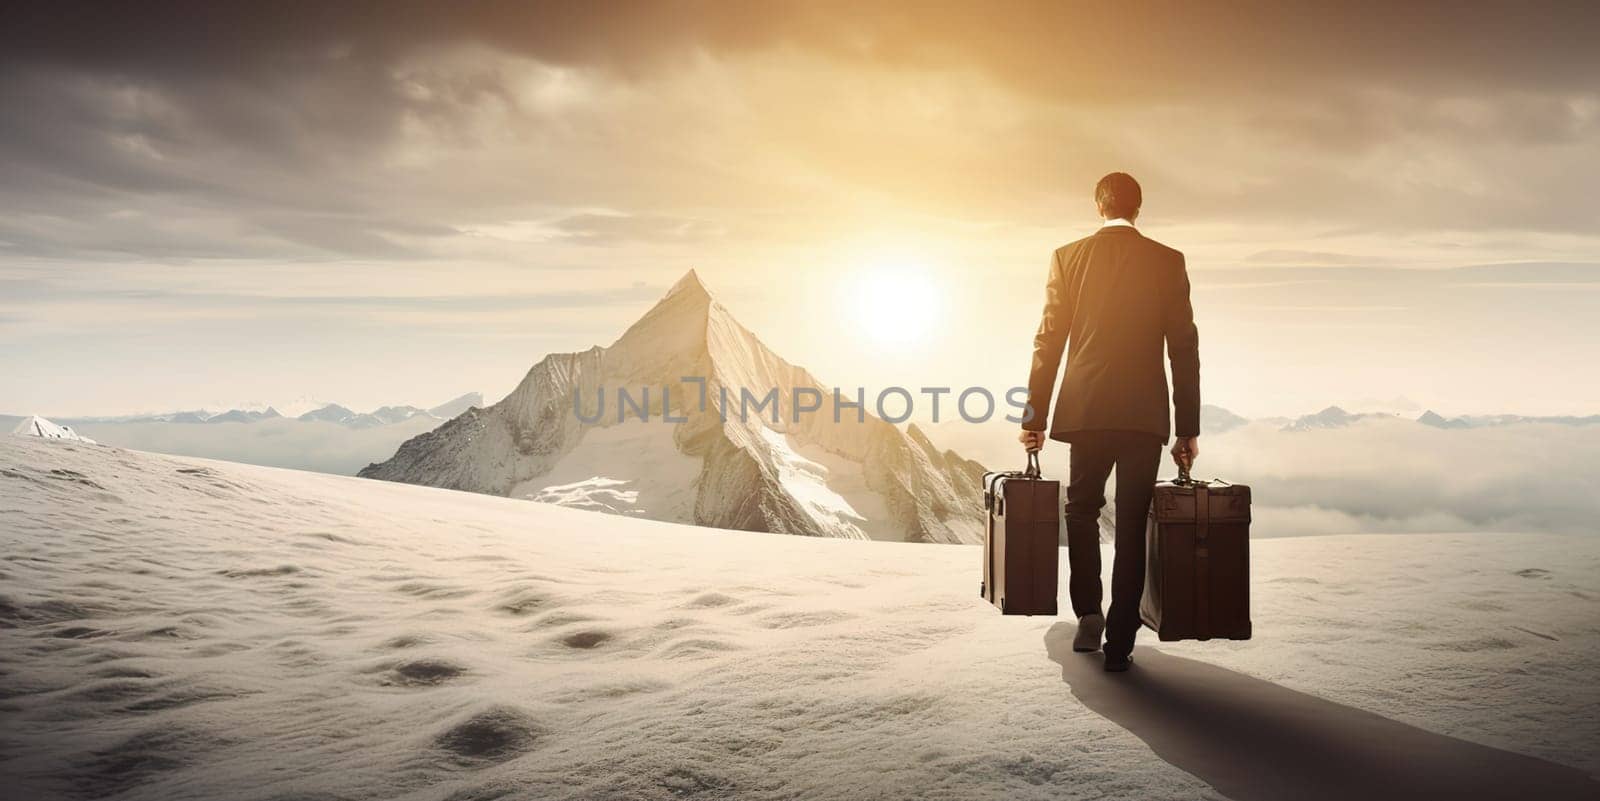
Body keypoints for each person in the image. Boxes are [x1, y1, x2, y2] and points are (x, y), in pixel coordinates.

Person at [1019, 172, 1200, 672]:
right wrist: (1188, 428)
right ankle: (1122, 634)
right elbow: (1184, 349)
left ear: (1099, 207)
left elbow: (1048, 340)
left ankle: (1088, 615)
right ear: (1138, 208)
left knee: (1080, 510)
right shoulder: (1168, 260)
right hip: (1144, 415)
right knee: (1133, 520)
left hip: (1087, 409)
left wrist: (1034, 416)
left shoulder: (1068, 258)